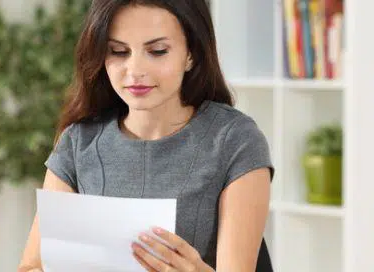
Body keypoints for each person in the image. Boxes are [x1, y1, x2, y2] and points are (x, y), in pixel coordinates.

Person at [18, 0, 275, 271]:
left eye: (157, 51)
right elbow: (31, 266)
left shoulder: (235, 140)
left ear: (192, 54)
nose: (135, 70)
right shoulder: (78, 142)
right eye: (118, 51)